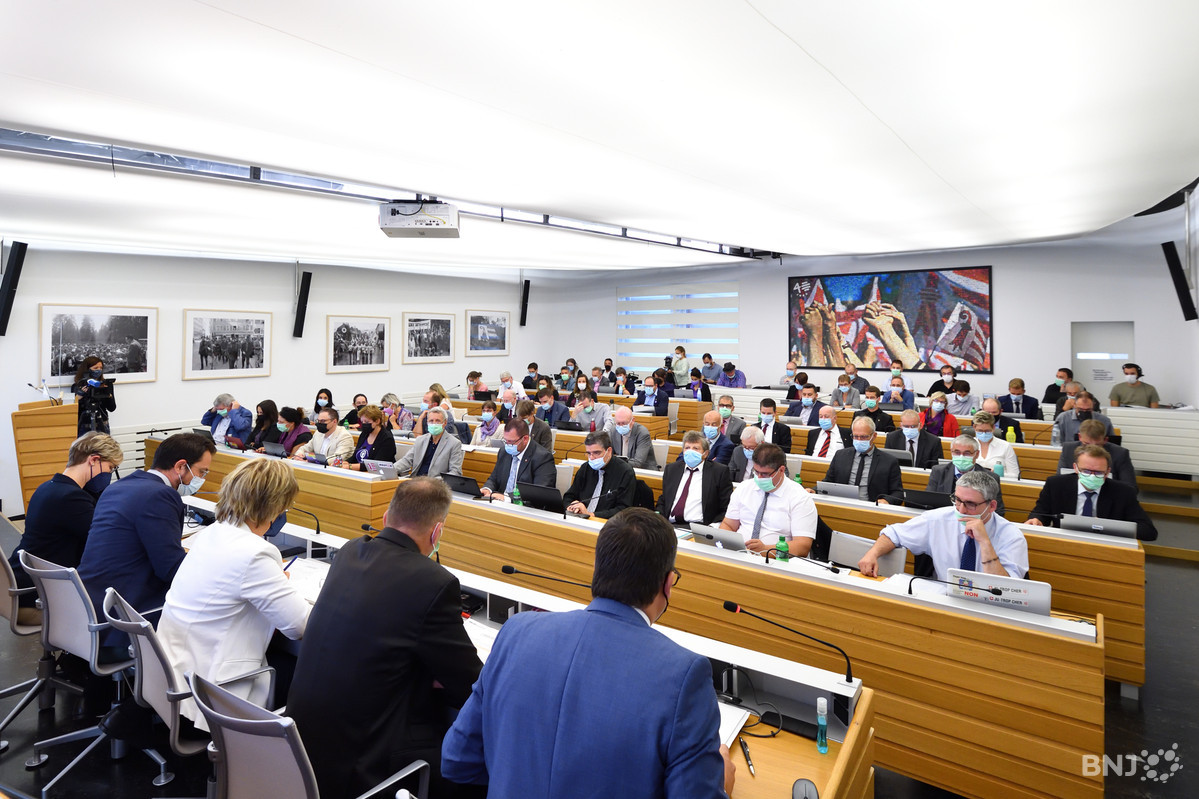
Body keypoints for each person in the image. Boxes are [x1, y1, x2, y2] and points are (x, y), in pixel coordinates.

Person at [442, 508, 735, 798]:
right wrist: (722, 785)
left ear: (597, 569)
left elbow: (457, 760)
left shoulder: (516, 632)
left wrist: (516, 777)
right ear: (667, 584)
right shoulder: (685, 676)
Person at [289, 478, 484, 799]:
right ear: (437, 532)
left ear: (385, 518)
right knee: (473, 769)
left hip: (303, 747)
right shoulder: (434, 582)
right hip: (365, 761)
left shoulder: (350, 551)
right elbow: (470, 685)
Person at [157, 458, 309, 729]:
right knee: (308, 674)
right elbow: (300, 626)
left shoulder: (213, 533)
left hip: (173, 677)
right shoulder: (255, 553)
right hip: (211, 692)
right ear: (274, 506)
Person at [78, 432, 216, 648]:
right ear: (180, 466)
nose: (201, 479)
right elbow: (171, 570)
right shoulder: (161, 495)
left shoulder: (118, 487)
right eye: (201, 471)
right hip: (123, 623)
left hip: (87, 612)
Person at [8, 432, 124, 624]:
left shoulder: (47, 487)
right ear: (94, 460)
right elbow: (106, 542)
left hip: (18, 589)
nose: (109, 475)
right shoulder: (72, 499)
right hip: (35, 601)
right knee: (115, 611)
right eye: (111, 468)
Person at [858, 470, 1028, 581]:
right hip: (946, 598)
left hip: (990, 607)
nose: (961, 509)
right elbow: (894, 533)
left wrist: (985, 542)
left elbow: (1006, 589)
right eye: (957, 500)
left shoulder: (1011, 536)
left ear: (991, 506)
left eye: (970, 504)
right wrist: (872, 554)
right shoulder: (938, 519)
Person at [1028, 445, 1156, 540]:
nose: (1092, 476)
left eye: (1099, 472)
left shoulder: (1123, 492)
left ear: (1108, 472)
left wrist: (1106, 526)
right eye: (1086, 471)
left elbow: (1148, 531)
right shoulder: (1056, 484)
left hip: (1106, 548)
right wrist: (1036, 520)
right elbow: (1040, 513)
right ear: (1075, 468)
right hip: (1064, 543)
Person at [720, 443, 818, 556]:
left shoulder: (800, 498)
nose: (759, 478)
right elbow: (729, 525)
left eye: (765, 474)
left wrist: (765, 550)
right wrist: (726, 545)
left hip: (777, 560)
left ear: (781, 470)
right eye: (756, 472)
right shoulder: (744, 488)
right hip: (738, 554)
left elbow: (802, 546)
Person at [657, 432, 733, 526]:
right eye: (687, 448)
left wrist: (712, 527)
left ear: (705, 454)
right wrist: (659, 520)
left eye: (696, 448)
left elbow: (726, 506)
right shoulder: (672, 469)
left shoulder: (719, 472)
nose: (690, 451)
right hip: (669, 525)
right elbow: (663, 499)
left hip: (699, 526)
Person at [824, 417, 903, 502]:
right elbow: (827, 482)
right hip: (843, 504)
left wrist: (886, 500)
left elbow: (898, 493)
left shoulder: (889, 461)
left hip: (871, 506)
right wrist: (815, 490)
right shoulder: (840, 455)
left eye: (863, 437)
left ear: (874, 436)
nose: (859, 440)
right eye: (855, 436)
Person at [923, 435, 1006, 515]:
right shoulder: (939, 472)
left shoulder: (991, 477)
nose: (961, 457)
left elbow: (997, 511)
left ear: (977, 454)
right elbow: (928, 502)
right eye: (957, 452)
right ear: (951, 452)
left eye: (967, 453)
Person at [563, 431, 637, 519]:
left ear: (609, 451)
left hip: (607, 522)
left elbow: (623, 509)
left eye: (596, 453)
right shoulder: (585, 468)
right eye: (589, 453)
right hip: (578, 517)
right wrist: (571, 506)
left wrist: (591, 514)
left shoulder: (625, 472)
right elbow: (569, 496)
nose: (591, 458)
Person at [481, 419, 556, 499]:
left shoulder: (543, 457)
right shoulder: (504, 452)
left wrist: (507, 498)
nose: (507, 445)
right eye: (505, 441)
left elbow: (539, 492)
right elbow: (494, 478)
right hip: (499, 502)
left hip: (523, 504)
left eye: (511, 442)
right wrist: (487, 489)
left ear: (525, 439)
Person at [1058, 419, 1137, 489]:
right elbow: (1060, 478)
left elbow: (1130, 487)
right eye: (1086, 444)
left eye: (1097, 445)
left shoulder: (1120, 453)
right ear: (1080, 437)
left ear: (1105, 440)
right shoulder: (1068, 449)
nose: (1091, 448)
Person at [395, 408, 464, 478]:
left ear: (445, 423)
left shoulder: (454, 443)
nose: (434, 424)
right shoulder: (420, 440)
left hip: (436, 482)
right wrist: (391, 470)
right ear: (427, 422)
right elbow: (406, 460)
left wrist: (433, 481)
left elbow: (455, 472)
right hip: (415, 480)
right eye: (431, 421)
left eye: (437, 421)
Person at [71, 356, 116, 436]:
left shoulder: (106, 385)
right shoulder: (78, 386)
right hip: (84, 426)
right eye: (95, 368)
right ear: (87, 370)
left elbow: (112, 408)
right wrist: (79, 396)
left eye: (101, 368)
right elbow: (73, 410)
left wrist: (107, 395)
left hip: (102, 424)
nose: (99, 370)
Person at [972, 411, 1019, 480]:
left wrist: (998, 474)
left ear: (993, 428)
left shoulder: (1005, 446)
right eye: (980, 431)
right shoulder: (969, 444)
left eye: (987, 431)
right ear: (974, 427)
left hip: (999, 483)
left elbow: (1015, 475)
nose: (984, 434)